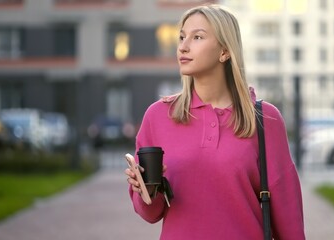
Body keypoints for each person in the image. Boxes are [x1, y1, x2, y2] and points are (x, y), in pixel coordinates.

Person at [125, 4, 305, 240]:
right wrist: (146, 190)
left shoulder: (264, 119)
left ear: (224, 51)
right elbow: (151, 213)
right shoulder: (158, 116)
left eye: (197, 37)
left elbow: (288, 214)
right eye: (181, 37)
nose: (183, 46)